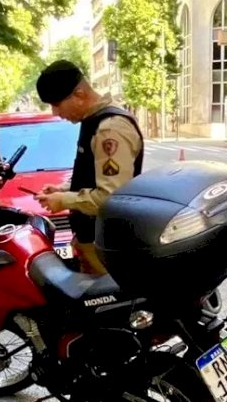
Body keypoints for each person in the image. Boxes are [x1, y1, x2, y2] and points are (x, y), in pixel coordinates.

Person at [34, 60, 144, 275]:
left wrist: (64, 201)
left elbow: (111, 197)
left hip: (107, 247)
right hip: (93, 240)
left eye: (57, 104)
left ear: (79, 94)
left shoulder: (110, 129)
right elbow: (96, 177)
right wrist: (64, 189)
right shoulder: (94, 122)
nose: (55, 112)